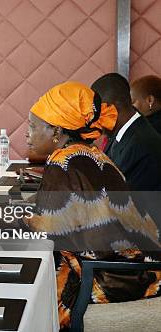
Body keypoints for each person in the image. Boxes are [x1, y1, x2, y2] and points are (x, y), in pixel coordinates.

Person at [25, 81, 161, 331]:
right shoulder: (91, 152)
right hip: (139, 264)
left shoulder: (63, 161)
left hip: (113, 276)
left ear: (56, 132)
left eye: (33, 127)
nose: (27, 134)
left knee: (27, 290)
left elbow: (48, 233)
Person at [91, 73, 161, 191]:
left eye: (97, 114)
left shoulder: (142, 145)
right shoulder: (117, 134)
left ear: (112, 109)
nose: (94, 122)